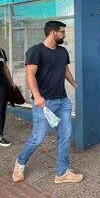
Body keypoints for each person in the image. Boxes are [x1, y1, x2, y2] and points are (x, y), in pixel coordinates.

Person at [12, 21, 83, 183]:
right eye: (62, 32)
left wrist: (74, 83)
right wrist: (37, 96)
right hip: (44, 103)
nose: (64, 35)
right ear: (53, 33)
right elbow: (30, 75)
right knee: (38, 137)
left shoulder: (63, 52)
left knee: (65, 136)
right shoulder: (35, 51)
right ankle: (20, 162)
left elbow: (65, 70)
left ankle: (62, 173)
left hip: (63, 101)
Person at [0, 48, 15, 147]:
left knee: (1, 109)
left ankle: (0, 136)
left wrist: (11, 82)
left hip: (2, 83)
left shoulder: (1, 51)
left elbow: (5, 67)